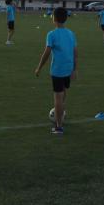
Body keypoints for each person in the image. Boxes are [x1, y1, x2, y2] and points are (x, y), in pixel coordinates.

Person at [34, 7, 78, 135]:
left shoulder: (51, 34)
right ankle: (61, 112)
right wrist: (75, 69)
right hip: (68, 68)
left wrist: (39, 68)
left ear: (54, 18)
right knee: (63, 93)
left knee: (57, 97)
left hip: (58, 70)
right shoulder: (71, 33)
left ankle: (58, 127)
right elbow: (75, 53)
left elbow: (46, 53)